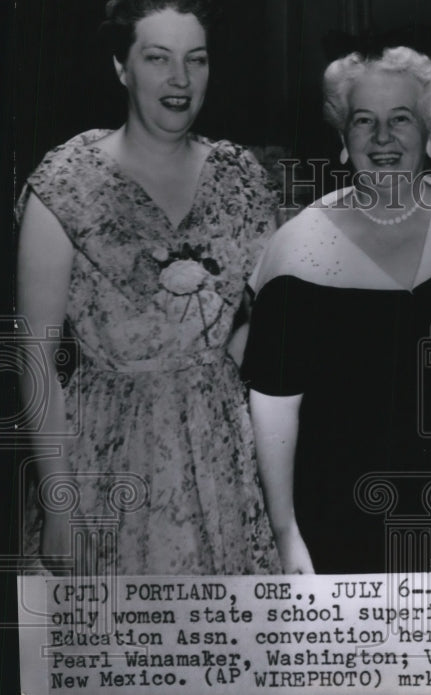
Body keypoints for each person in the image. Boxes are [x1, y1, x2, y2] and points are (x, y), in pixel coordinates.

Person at [16, 0, 280, 574]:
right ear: (121, 67)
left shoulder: (243, 180)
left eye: (196, 59)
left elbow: (263, 323)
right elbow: (35, 356)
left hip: (221, 462)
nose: (180, 79)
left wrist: (213, 376)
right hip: (105, 459)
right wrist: (58, 503)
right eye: (157, 58)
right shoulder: (65, 184)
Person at [242, 46, 431, 574]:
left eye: (401, 119)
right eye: (363, 121)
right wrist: (286, 535)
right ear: (342, 139)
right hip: (343, 523)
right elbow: (274, 408)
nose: (382, 138)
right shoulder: (299, 247)